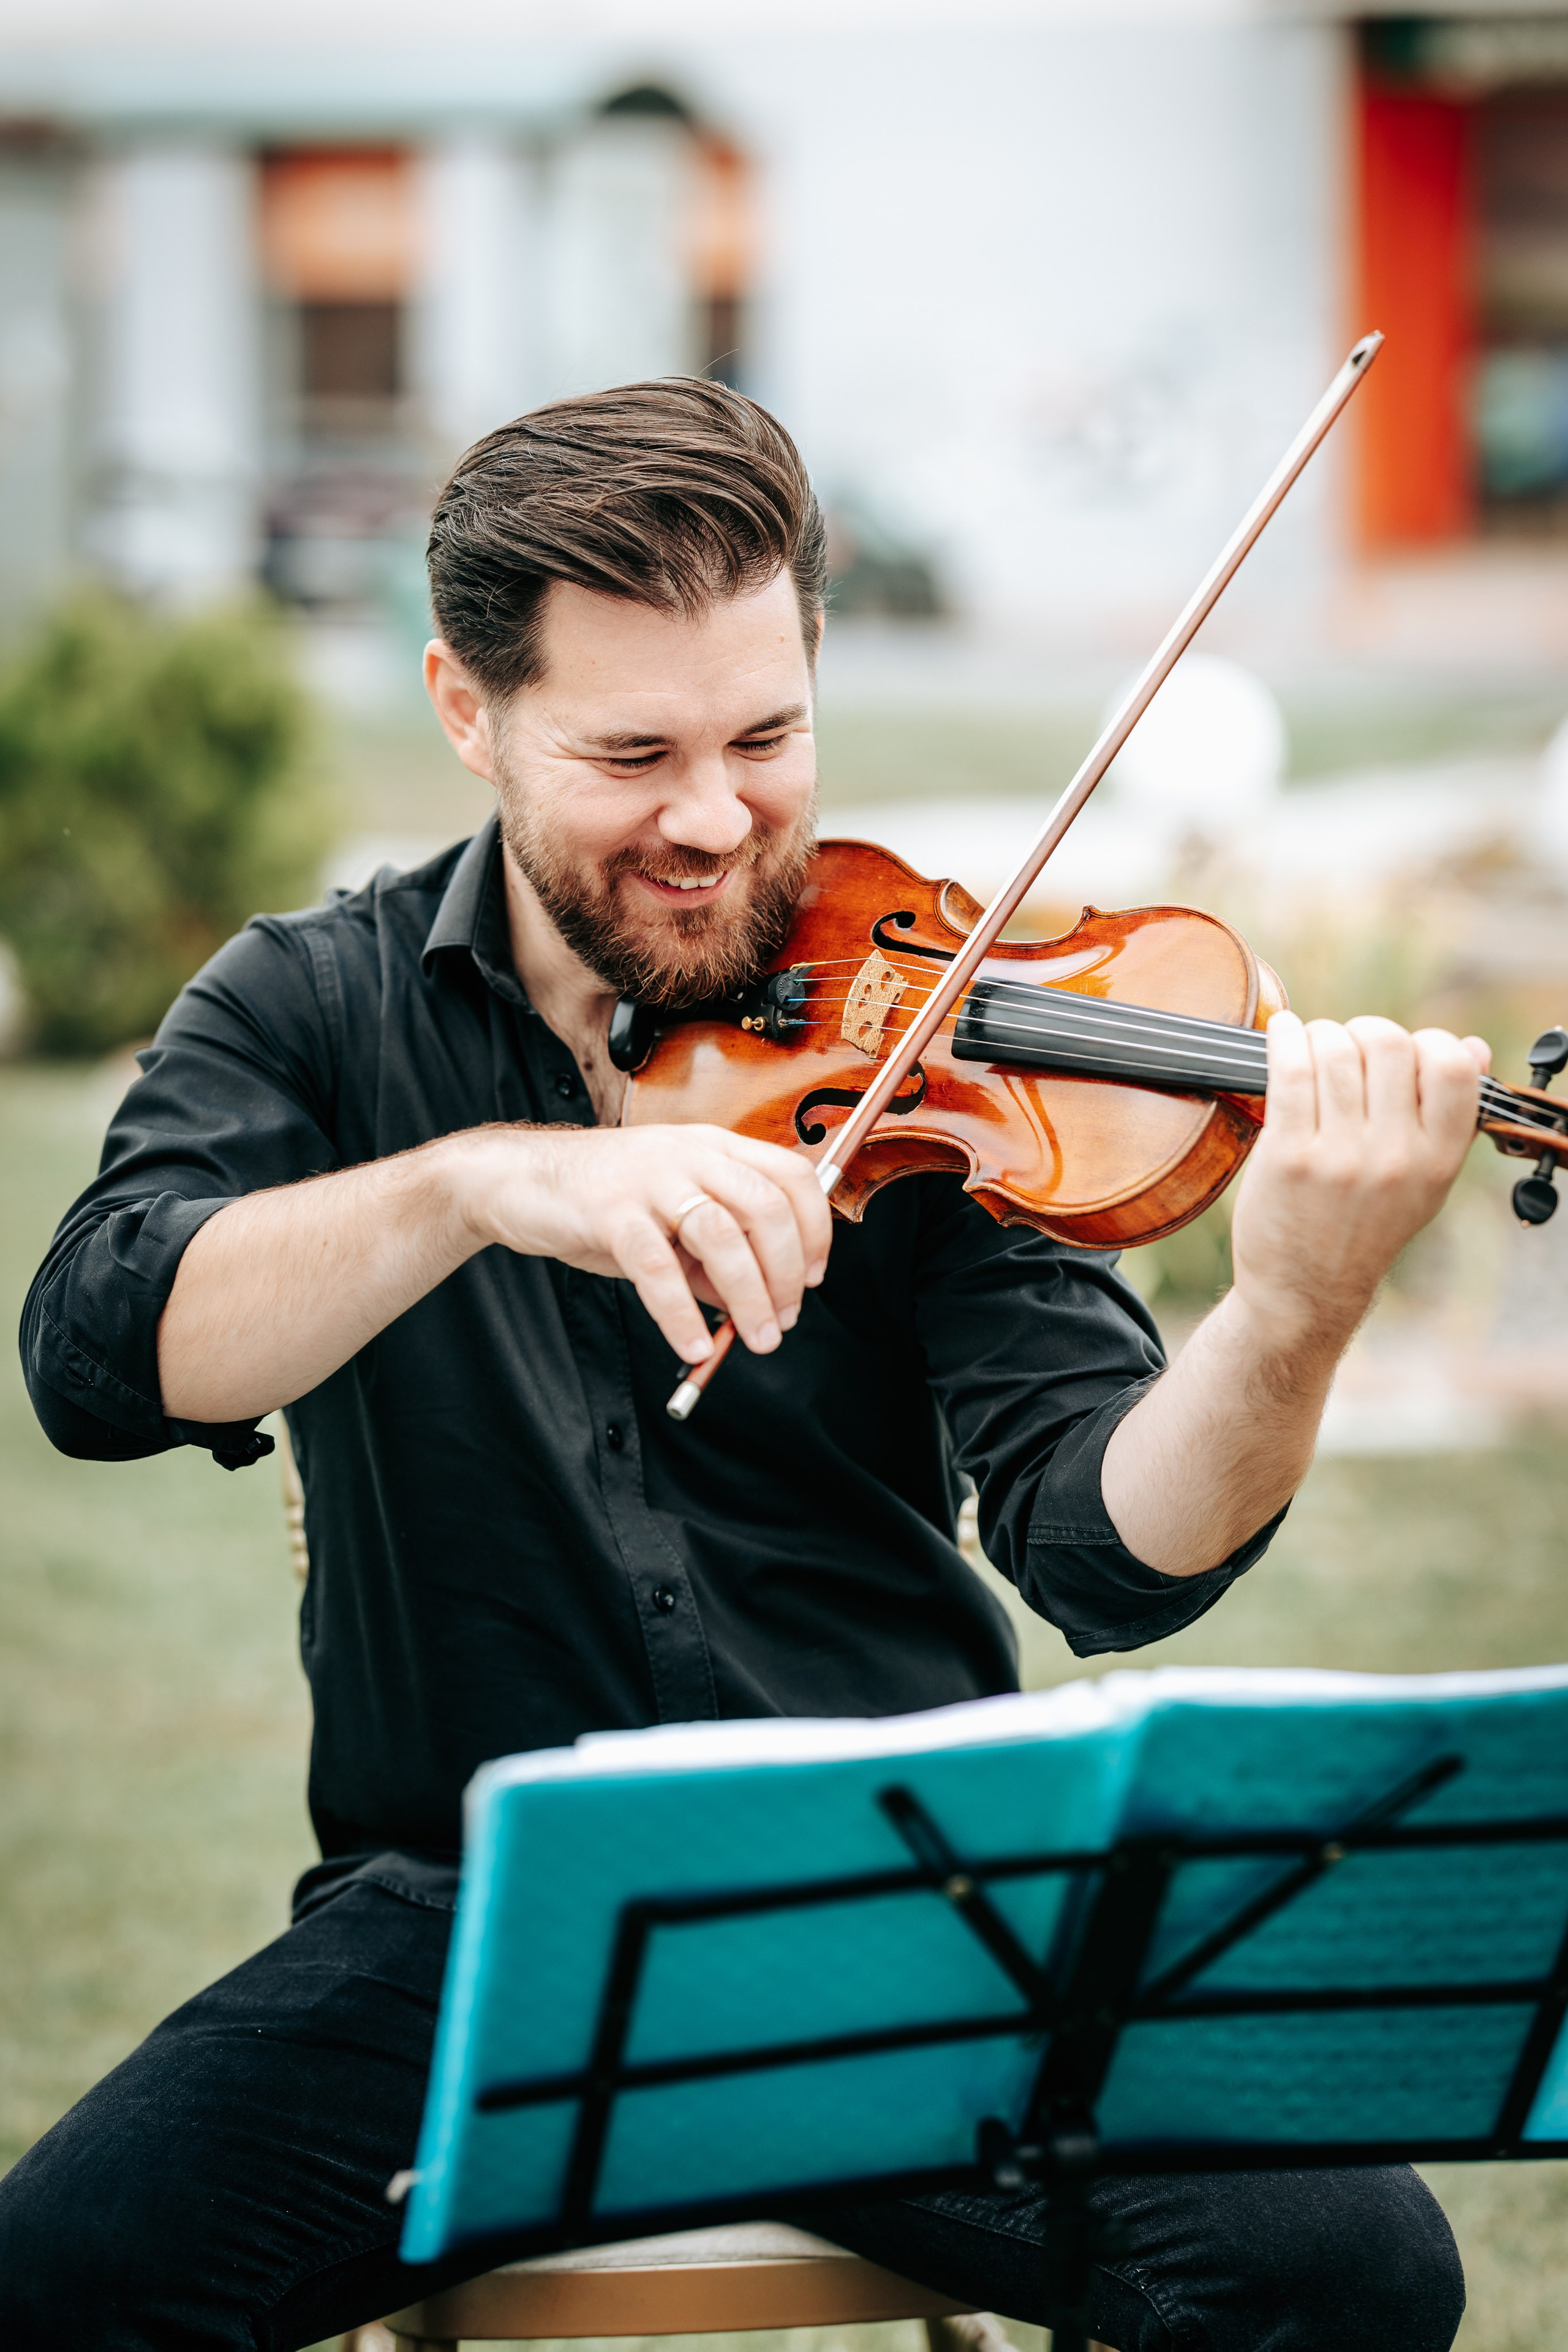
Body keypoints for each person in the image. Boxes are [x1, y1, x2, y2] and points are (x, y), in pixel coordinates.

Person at [4, 380, 1473, 2351]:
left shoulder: (934, 1021)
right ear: (468, 712)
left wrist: (1292, 1312)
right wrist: (477, 1185)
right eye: (635, 755)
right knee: (60, 2283)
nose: (715, 821)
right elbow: (102, 1352)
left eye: (765, 739)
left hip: (910, 1921)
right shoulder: (309, 1010)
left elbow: (1109, 1549)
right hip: (469, 1931)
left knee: (1352, 2270)